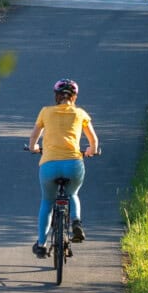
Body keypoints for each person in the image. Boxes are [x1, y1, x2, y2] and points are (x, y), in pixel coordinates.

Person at [28, 78, 98, 258]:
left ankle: (42, 244)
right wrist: (91, 151)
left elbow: (34, 137)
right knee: (72, 193)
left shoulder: (45, 112)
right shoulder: (80, 113)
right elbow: (94, 142)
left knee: (47, 202)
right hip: (73, 163)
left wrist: (34, 147)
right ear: (74, 97)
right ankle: (76, 222)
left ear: (56, 96)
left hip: (49, 165)